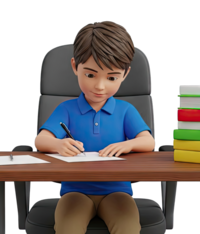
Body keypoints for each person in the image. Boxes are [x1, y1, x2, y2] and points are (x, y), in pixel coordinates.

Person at [33, 20, 155, 234]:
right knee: (67, 227)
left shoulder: (126, 110)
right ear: (74, 67)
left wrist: (128, 145)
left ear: (125, 74)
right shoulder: (66, 109)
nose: (100, 86)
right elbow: (40, 140)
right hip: (75, 191)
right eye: (90, 75)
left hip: (118, 191)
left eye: (111, 77)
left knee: (128, 227)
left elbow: (149, 142)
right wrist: (58, 144)